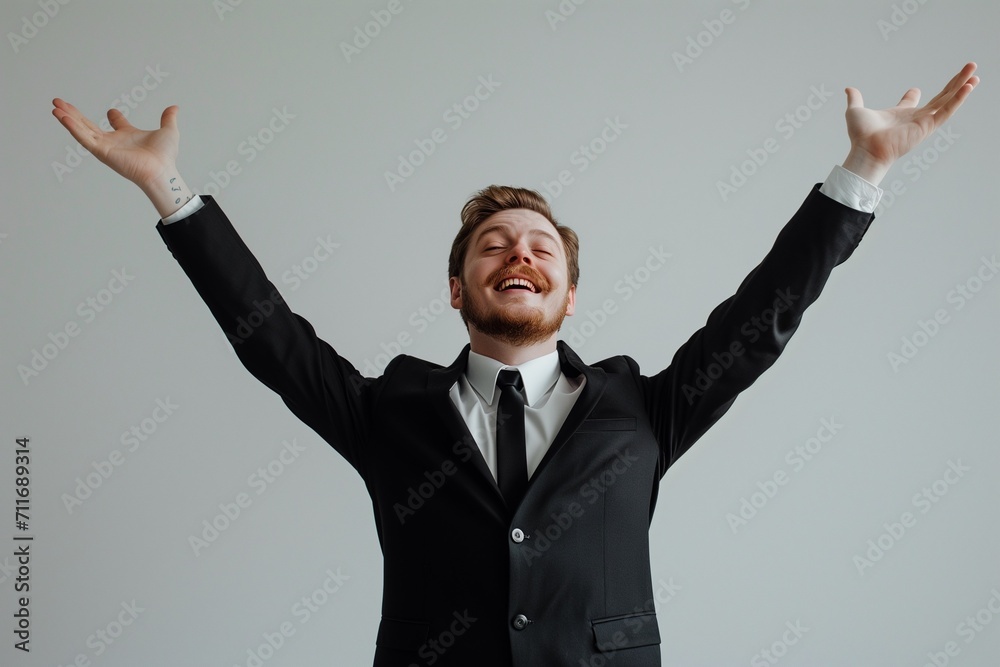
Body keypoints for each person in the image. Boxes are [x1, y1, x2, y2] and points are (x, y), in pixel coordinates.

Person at [52, 63, 978, 667]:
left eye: (540, 247)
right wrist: (168, 190)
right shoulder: (389, 413)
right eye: (493, 247)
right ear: (457, 288)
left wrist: (862, 174)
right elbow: (268, 334)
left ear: (569, 294)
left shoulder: (642, 410)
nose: (518, 256)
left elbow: (764, 315)